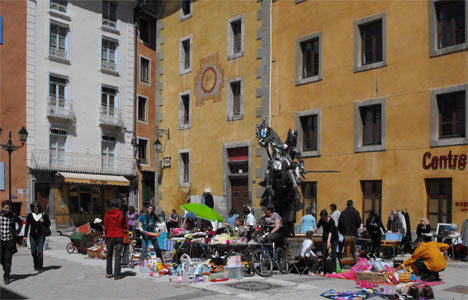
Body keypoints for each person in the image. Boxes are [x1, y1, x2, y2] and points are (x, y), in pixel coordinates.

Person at [24, 202, 51, 273]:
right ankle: (35, 264)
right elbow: (27, 226)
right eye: (34, 206)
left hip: (41, 236)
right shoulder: (30, 215)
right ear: (32, 207)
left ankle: (40, 267)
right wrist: (25, 236)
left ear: (39, 207)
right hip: (32, 236)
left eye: (37, 206)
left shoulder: (43, 215)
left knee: (40, 252)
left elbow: (48, 224)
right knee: (33, 252)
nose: (35, 207)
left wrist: (43, 221)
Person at [0, 200, 23, 284]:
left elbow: (20, 221)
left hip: (10, 240)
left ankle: (6, 276)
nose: (8, 209)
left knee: (8, 260)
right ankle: (6, 270)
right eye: (6, 208)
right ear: (2, 208)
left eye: (9, 208)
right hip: (1, 241)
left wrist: (18, 230)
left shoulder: (13, 215)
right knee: (1, 259)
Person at [104, 199, 127, 280]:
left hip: (110, 236)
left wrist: (105, 237)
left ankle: (109, 273)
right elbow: (126, 226)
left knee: (109, 255)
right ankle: (117, 275)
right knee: (118, 256)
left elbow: (106, 227)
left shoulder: (107, 214)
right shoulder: (122, 214)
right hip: (119, 236)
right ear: (119, 205)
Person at [313, 209, 338, 274]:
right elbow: (317, 226)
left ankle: (333, 270)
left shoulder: (331, 221)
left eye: (324, 217)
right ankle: (322, 270)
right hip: (325, 237)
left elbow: (330, 232)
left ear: (327, 216)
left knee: (333, 254)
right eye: (322, 217)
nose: (323, 219)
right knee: (324, 254)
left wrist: (328, 242)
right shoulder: (321, 220)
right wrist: (311, 232)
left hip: (333, 238)